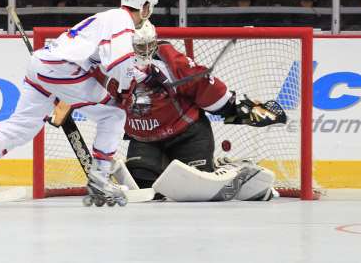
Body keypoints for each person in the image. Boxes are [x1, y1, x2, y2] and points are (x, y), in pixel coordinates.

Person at [0, 0, 159, 207]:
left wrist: (125, 83)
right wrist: (126, 90)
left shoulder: (107, 18)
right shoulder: (123, 20)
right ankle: (101, 177)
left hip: (40, 66)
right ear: (145, 5)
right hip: (62, 69)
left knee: (21, 127)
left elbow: (101, 64)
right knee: (114, 115)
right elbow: (120, 61)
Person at [121, 21, 286, 202]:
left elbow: (204, 87)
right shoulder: (109, 64)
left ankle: (231, 169)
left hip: (186, 134)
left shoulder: (169, 61)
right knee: (143, 188)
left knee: (197, 189)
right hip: (144, 139)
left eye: (149, 45)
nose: (144, 51)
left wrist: (237, 108)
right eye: (138, 46)